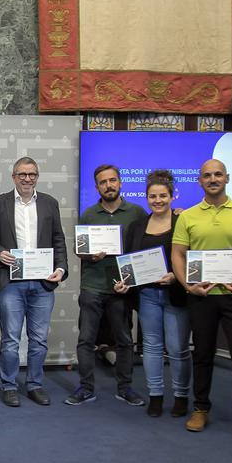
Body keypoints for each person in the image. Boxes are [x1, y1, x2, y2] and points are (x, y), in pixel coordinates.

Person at [171, 159, 232, 444]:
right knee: (202, 355)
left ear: (227, 178)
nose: (212, 179)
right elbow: (178, 254)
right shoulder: (188, 216)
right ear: (199, 181)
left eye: (217, 174)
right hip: (202, 298)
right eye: (207, 175)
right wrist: (188, 285)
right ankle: (200, 408)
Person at [66, 165, 148, 407]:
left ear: (120, 183)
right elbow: (78, 250)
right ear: (97, 187)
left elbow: (144, 246)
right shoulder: (89, 214)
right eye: (103, 182)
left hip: (122, 288)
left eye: (113, 180)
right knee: (86, 339)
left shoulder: (137, 213)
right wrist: (89, 255)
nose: (109, 185)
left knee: (123, 340)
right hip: (92, 286)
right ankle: (86, 387)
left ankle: (125, 388)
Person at [0, 157, 68, 407]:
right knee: (11, 338)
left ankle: (34, 384)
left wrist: (62, 267)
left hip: (43, 282)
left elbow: (58, 239)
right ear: (13, 177)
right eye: (22, 174)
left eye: (32, 174)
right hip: (10, 281)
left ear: (37, 176)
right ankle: (9, 385)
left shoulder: (49, 203)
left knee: (39, 339)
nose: (27, 178)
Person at [113, 170, 192, 417]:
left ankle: (181, 396)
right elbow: (129, 262)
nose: (157, 200)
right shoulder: (137, 226)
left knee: (178, 348)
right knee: (151, 347)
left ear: (172, 196)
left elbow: (192, 257)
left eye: (162, 196)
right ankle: (155, 396)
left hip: (176, 294)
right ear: (146, 198)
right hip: (147, 295)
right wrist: (124, 282)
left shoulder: (183, 222)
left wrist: (176, 276)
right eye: (152, 196)